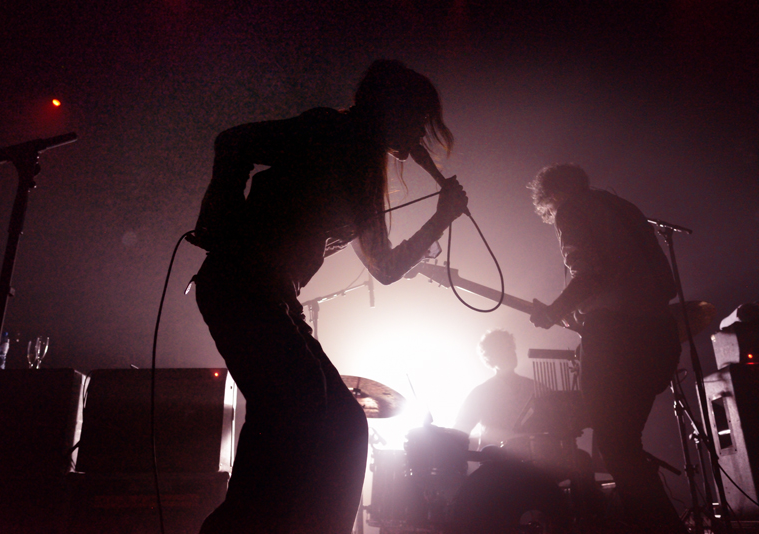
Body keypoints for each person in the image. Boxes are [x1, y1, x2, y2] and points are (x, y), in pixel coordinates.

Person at [188, 60, 468, 534]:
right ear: (392, 109)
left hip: (270, 296)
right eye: (418, 117)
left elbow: (385, 268)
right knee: (306, 417)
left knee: (331, 422)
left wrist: (442, 219)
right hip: (243, 287)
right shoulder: (327, 129)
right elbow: (232, 140)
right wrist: (221, 224)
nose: (422, 132)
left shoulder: (363, 168)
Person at [527, 163, 685, 533]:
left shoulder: (572, 210)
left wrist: (554, 312)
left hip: (619, 339)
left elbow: (590, 274)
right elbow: (659, 283)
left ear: (551, 198)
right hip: (660, 335)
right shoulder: (625, 207)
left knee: (616, 446)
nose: (553, 218)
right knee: (624, 444)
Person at [454, 329, 534, 450]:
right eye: (502, 350)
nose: (510, 354)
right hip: (496, 463)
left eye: (511, 349)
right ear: (490, 358)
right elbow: (459, 432)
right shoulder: (481, 393)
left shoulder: (534, 387)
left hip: (535, 462)